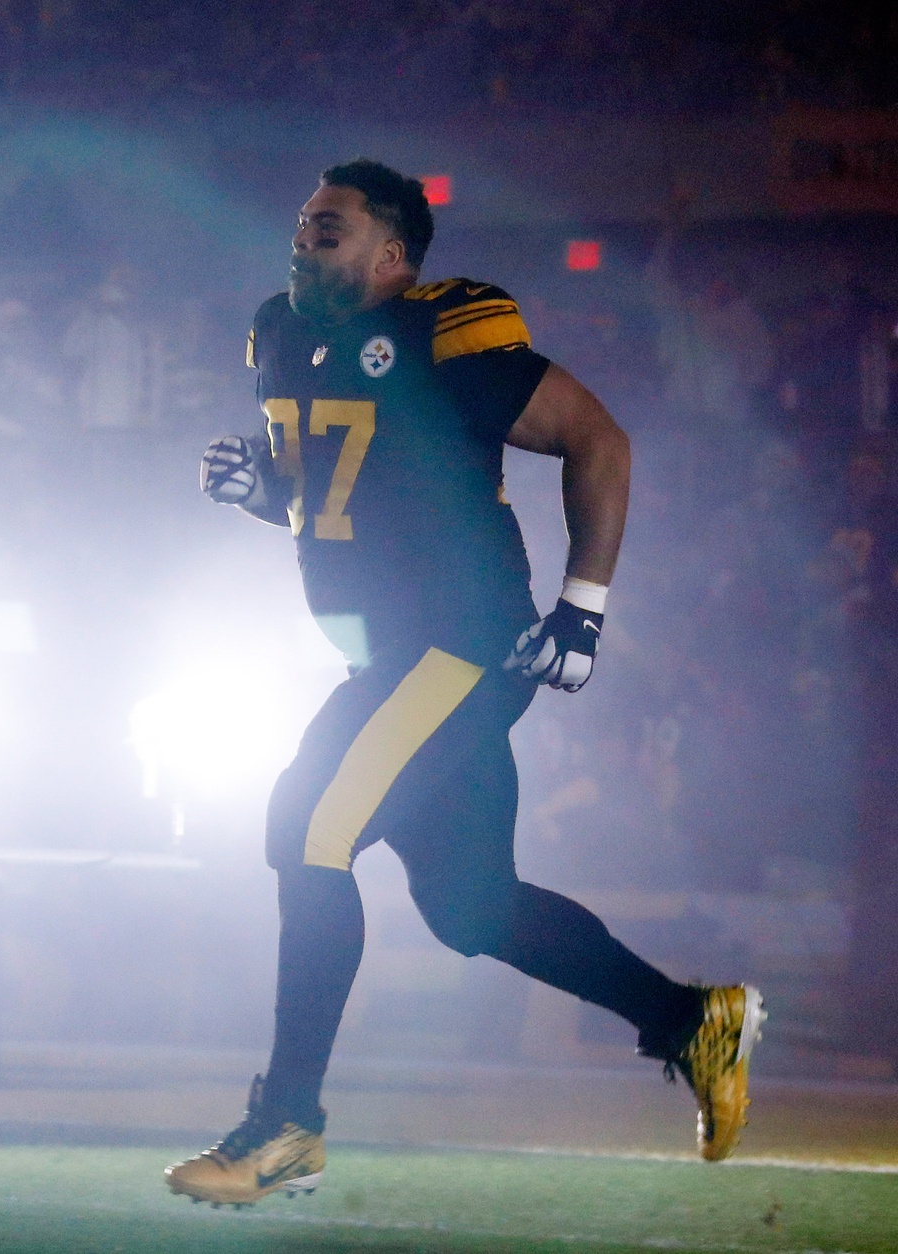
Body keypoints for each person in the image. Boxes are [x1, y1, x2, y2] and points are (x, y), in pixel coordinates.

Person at [167, 159, 764, 1208]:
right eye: (304, 224)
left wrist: (584, 606)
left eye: (331, 230)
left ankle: (288, 1124)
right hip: (388, 654)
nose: (304, 242)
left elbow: (597, 439)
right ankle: (690, 1020)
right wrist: (258, 489)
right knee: (469, 907)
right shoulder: (280, 333)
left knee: (306, 828)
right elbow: (326, 499)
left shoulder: (449, 330)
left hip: (460, 644)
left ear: (392, 254)